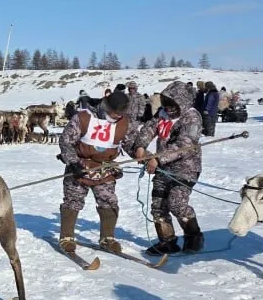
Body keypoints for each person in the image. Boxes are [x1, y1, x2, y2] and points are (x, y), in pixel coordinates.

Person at [58, 90, 137, 255]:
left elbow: (130, 144)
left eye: (120, 115)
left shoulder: (125, 123)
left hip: (105, 168)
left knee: (108, 200)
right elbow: (66, 141)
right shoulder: (83, 117)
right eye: (114, 114)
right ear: (105, 105)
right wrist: (73, 162)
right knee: (73, 199)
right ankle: (67, 237)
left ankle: (107, 238)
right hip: (80, 166)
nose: (117, 118)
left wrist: (141, 154)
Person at [132, 81, 205, 255]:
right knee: (158, 205)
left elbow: (184, 144)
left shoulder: (191, 117)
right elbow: (149, 128)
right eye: (166, 103)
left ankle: (194, 237)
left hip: (186, 168)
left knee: (177, 204)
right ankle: (167, 241)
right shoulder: (162, 113)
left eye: (172, 104)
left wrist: (158, 158)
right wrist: (141, 146)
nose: (168, 108)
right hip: (164, 167)